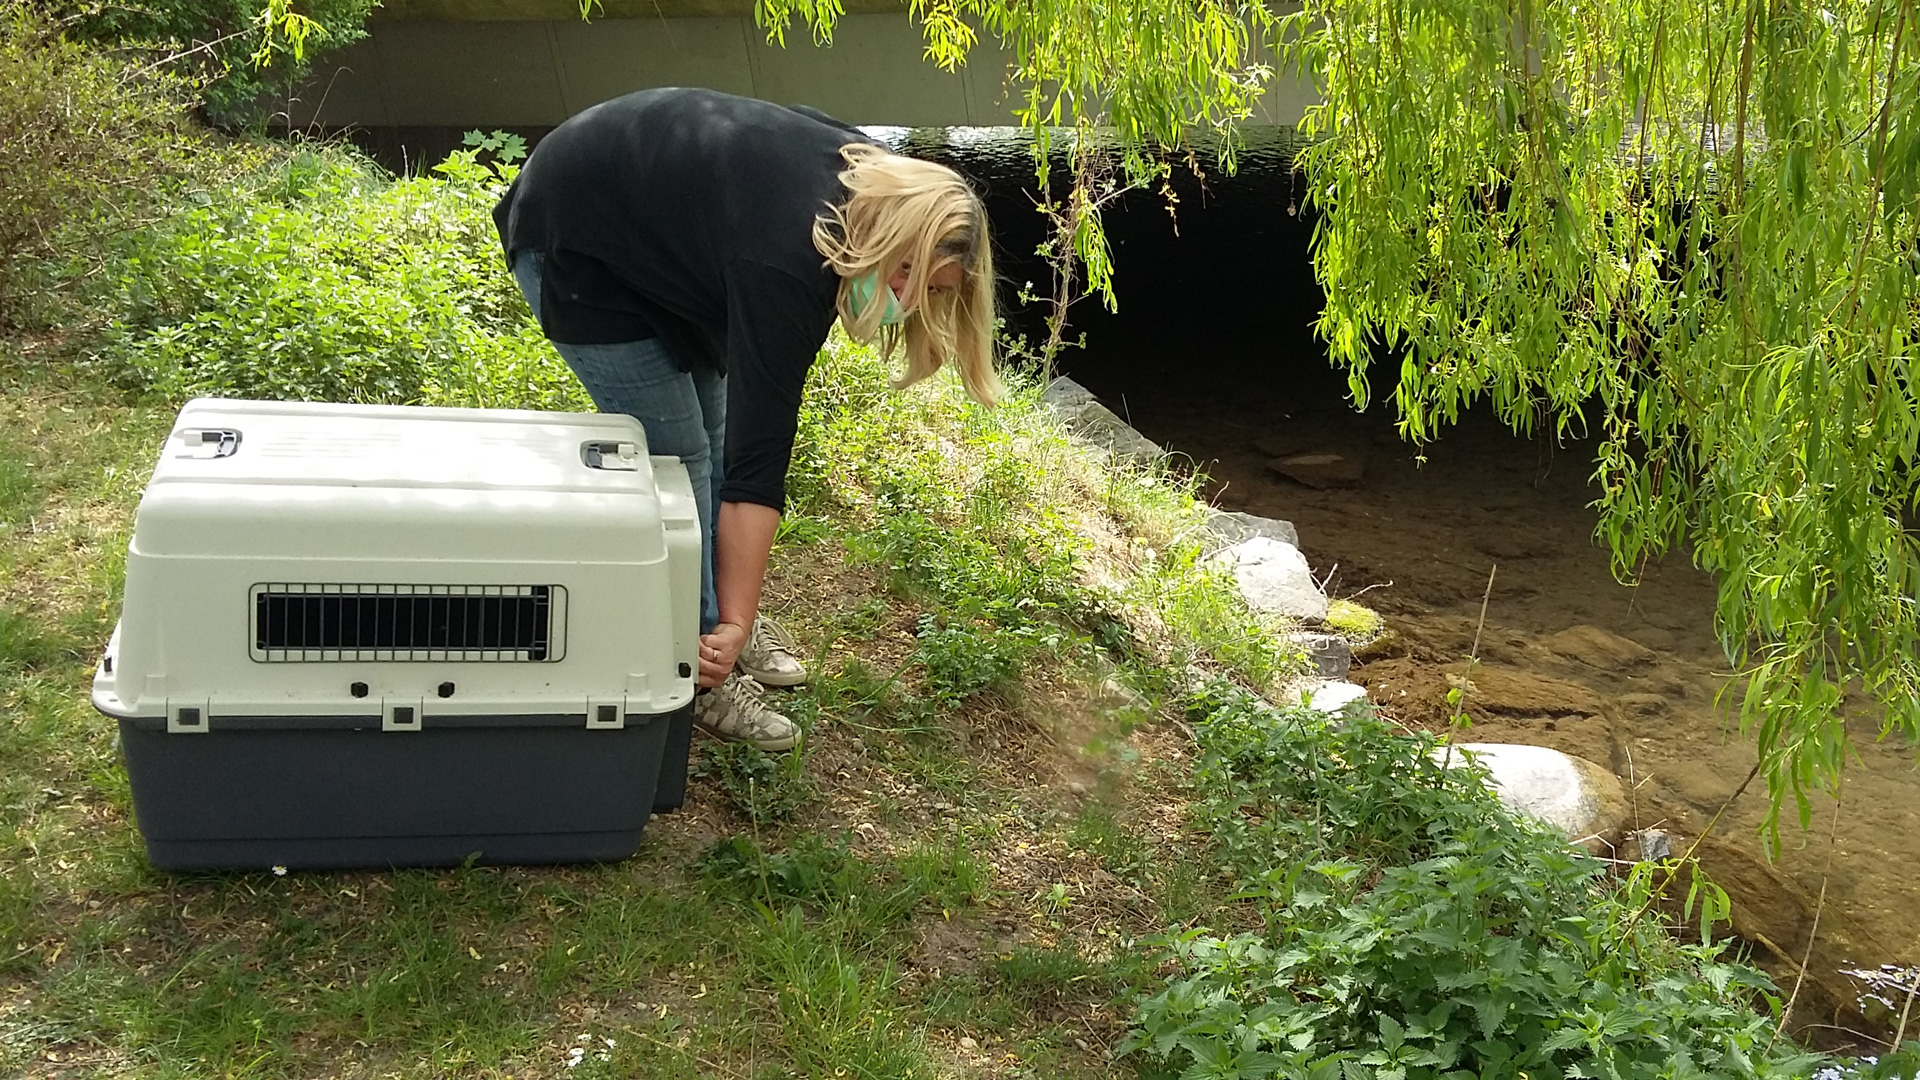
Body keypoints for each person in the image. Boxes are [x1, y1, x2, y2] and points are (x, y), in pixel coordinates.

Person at [493, 87, 1001, 752]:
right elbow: (757, 470)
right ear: (893, 233)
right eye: (904, 271)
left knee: (712, 434)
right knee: (682, 458)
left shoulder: (876, 182)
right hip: (577, 240)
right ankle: (701, 663)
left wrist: (742, 604)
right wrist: (732, 617)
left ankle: (718, 616)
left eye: (930, 290)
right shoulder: (788, 262)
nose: (906, 297)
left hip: (662, 238)